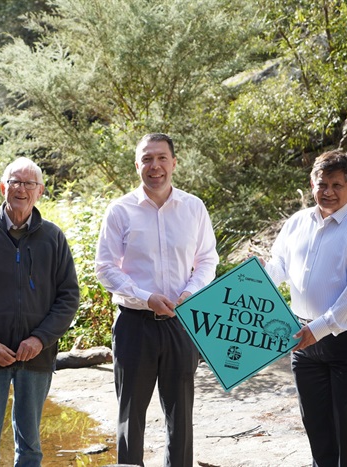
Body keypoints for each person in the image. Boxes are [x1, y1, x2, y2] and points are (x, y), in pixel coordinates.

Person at [95, 133, 218, 467]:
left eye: (162, 158)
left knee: (181, 416)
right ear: (137, 165)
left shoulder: (193, 207)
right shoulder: (120, 211)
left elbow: (207, 259)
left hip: (182, 324)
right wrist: (146, 297)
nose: (155, 166)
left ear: (174, 163)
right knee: (130, 416)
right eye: (147, 159)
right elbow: (104, 267)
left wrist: (191, 293)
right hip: (135, 324)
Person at [262, 149, 347, 467]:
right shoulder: (296, 223)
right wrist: (253, 277)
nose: (328, 192)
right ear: (311, 184)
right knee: (315, 420)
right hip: (301, 335)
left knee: (346, 421)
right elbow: (278, 266)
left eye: (336, 185)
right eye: (322, 184)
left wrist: (319, 330)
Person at [0, 157, 79, 467]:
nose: (21, 189)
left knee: (31, 446)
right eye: (15, 182)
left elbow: (68, 296)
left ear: (40, 191)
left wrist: (40, 339)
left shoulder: (53, 237)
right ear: (2, 187)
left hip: (35, 357)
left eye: (29, 184)